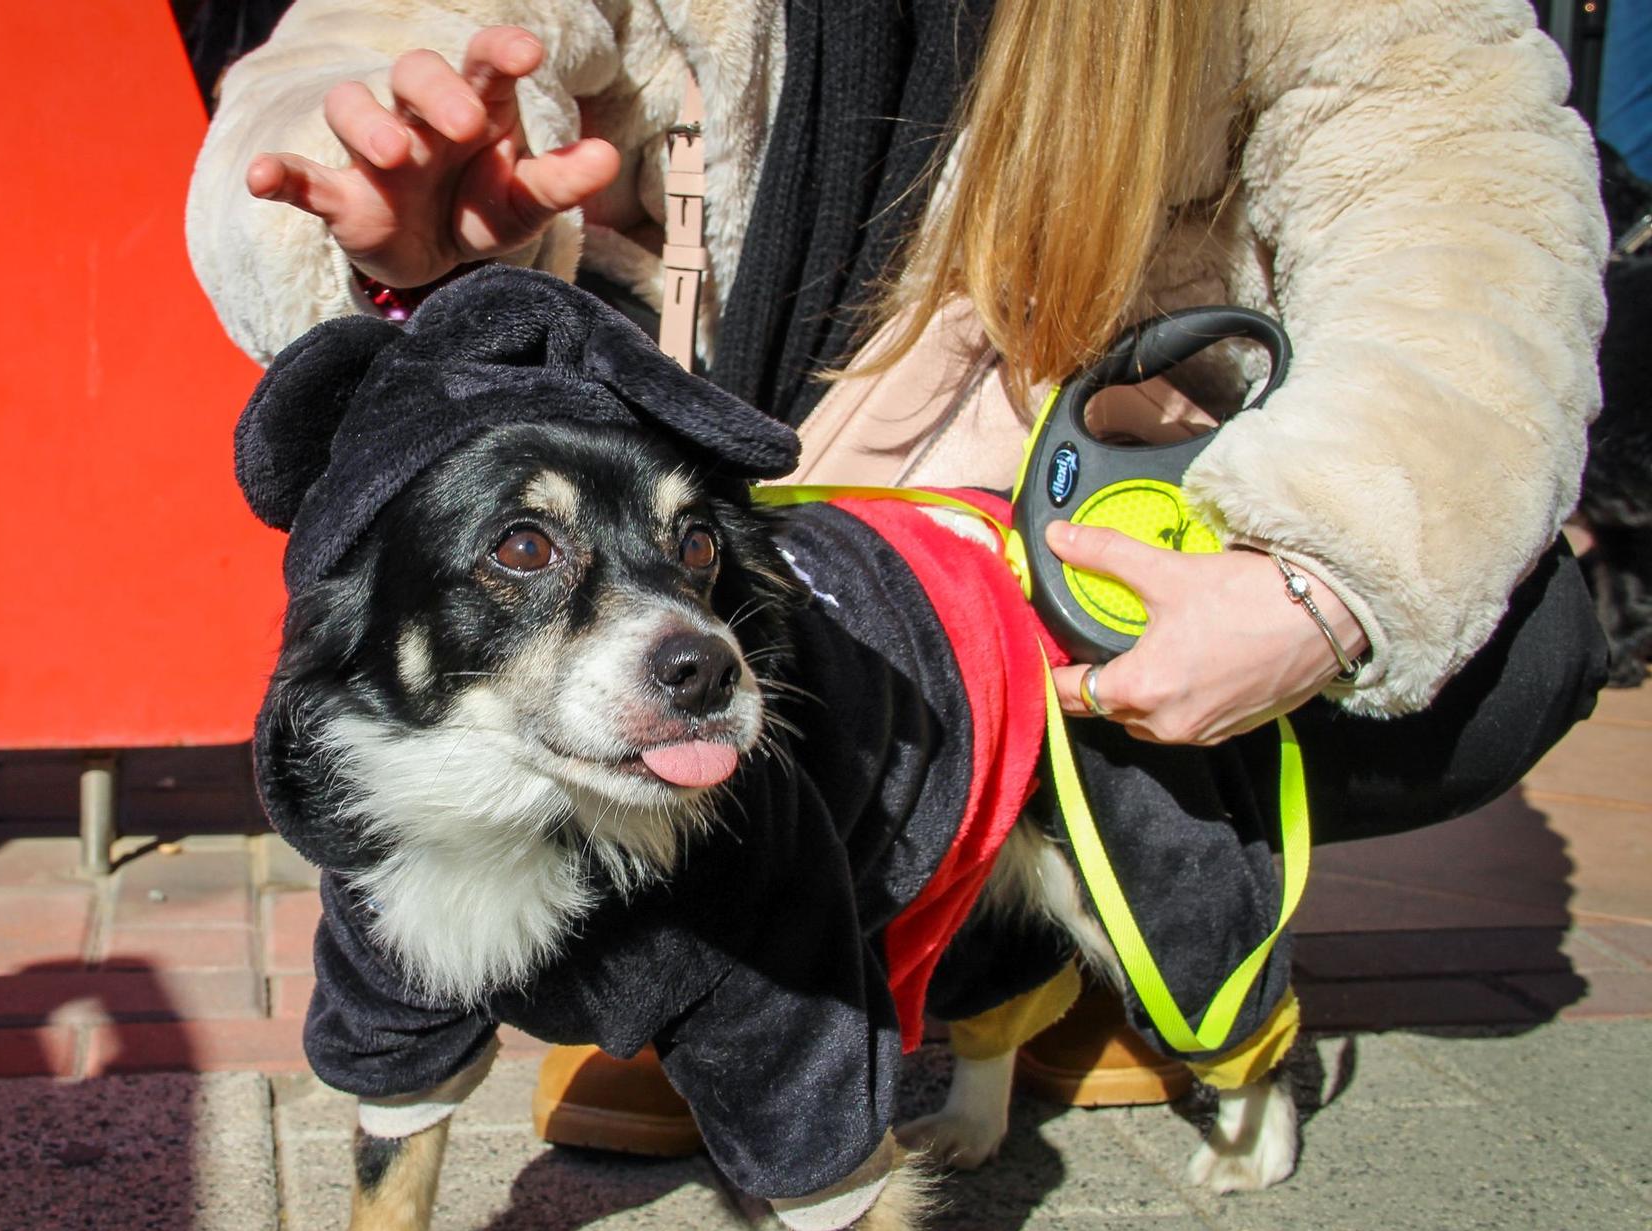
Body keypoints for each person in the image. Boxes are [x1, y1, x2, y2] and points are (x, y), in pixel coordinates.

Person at [188, 1, 1609, 1140]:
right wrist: (386, 200)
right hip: (746, 542)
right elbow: (384, 40)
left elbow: (1460, 194)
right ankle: (708, 971)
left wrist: (1327, 570)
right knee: (680, 713)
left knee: (1509, 632)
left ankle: (1009, 952)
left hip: (1085, 547)